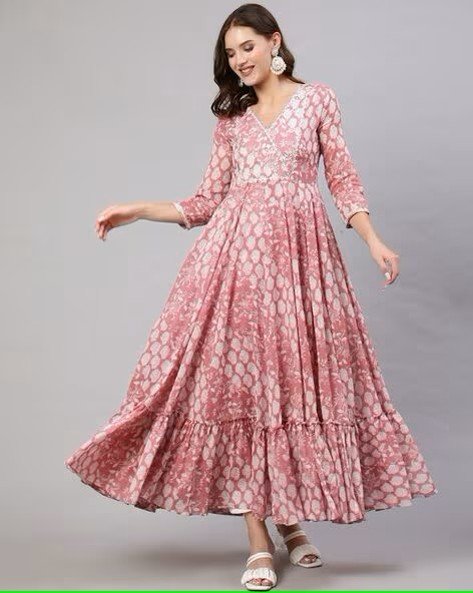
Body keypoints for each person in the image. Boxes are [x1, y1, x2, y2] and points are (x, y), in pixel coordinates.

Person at [65, 3, 438, 591]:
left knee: (287, 390)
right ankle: (260, 541)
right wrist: (138, 209)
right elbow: (206, 201)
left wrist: (373, 240)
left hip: (302, 269)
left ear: (274, 41)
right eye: (230, 52)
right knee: (242, 393)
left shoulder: (317, 100)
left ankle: (290, 523)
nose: (239, 60)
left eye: (247, 46)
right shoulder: (232, 121)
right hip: (235, 267)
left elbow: (342, 179)